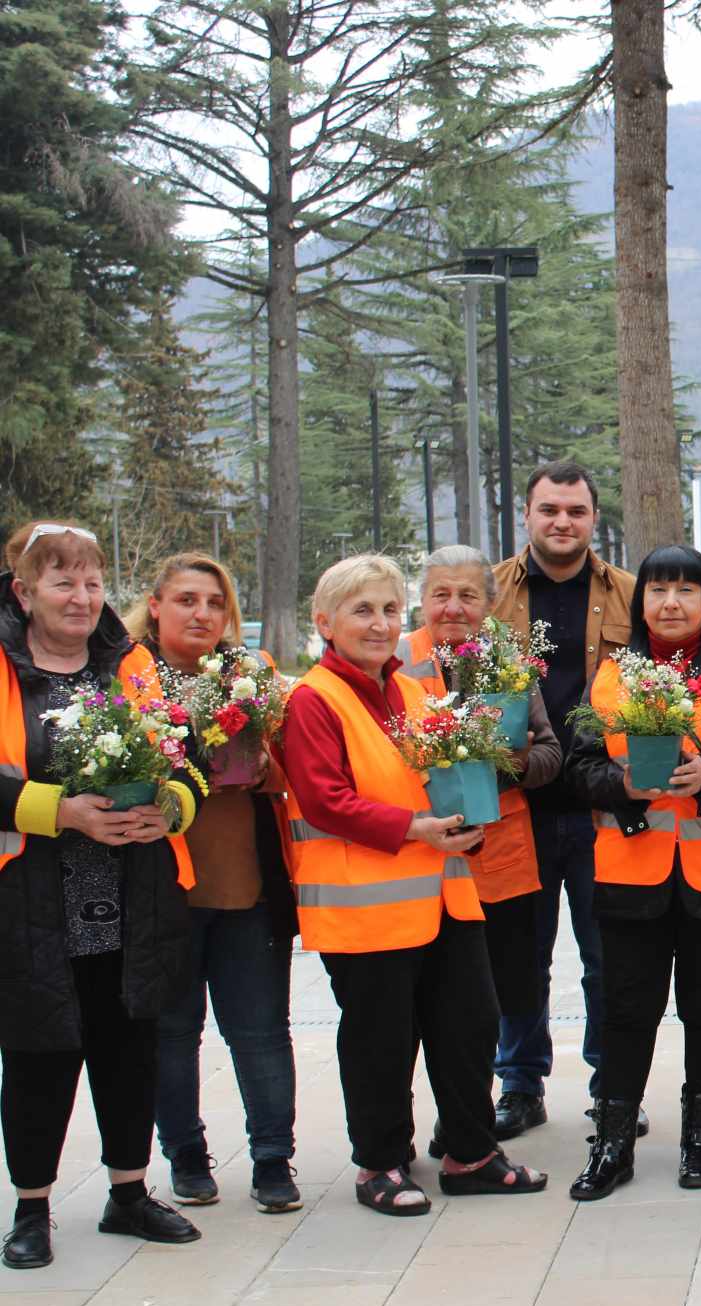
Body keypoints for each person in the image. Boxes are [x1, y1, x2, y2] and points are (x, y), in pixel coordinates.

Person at [279, 554, 546, 1215]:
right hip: (364, 906)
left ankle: (470, 1153)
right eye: (363, 610)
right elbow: (324, 800)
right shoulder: (313, 699)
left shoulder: (411, 690)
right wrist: (417, 828)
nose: (380, 624)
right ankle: (380, 1163)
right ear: (325, 622)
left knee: (469, 1025)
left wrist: (466, 822)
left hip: (443, 894)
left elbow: (444, 774)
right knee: (381, 1040)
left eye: (390, 610)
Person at [2, 521, 204, 1270]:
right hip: (30, 902)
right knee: (38, 1054)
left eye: (91, 582)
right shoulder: (2, 668)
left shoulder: (132, 664)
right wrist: (60, 811)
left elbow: (190, 757)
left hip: (132, 896)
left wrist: (172, 807)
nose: (82, 597)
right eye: (62, 582)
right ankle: (31, 1210)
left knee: (129, 1048)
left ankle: (129, 1193)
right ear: (25, 594)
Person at [565, 546, 701, 1198]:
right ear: (642, 602)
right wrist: (623, 782)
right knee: (626, 1008)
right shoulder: (614, 672)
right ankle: (613, 1138)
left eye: (686, 590)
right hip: (632, 868)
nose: (670, 603)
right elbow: (579, 768)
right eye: (658, 590)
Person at [129, 554, 301, 1214]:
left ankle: (271, 1160)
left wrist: (262, 766)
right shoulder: (128, 678)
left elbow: (295, 770)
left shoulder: (251, 678)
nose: (201, 613)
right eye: (186, 600)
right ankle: (187, 1155)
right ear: (157, 605)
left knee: (259, 1030)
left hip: (244, 887)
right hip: (162, 888)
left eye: (214, 603)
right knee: (173, 1033)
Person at [487, 462, 635, 1140]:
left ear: (593, 518)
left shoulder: (628, 595)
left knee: (608, 958)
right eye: (549, 509)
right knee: (520, 954)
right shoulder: (489, 594)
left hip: (602, 804)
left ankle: (613, 1089)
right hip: (517, 803)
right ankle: (519, 1085)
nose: (562, 522)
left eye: (575, 511)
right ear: (528, 515)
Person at [395, 546, 563, 1029]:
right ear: (422, 601)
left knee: (500, 1000)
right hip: (416, 863)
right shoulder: (395, 659)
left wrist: (510, 763)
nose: (453, 607)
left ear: (490, 604)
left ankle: (514, 1091)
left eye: (467, 595)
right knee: (420, 1004)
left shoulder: (508, 662)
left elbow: (550, 754)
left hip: (497, 860)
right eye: (440, 594)